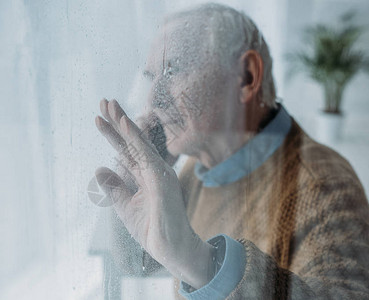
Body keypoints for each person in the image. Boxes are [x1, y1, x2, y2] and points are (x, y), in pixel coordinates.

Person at [93, 3, 369, 299]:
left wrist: (202, 262)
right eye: (151, 77)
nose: (153, 100)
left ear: (246, 77)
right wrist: (136, 188)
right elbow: (144, 263)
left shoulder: (321, 187)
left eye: (172, 70)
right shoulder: (200, 167)